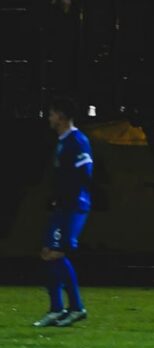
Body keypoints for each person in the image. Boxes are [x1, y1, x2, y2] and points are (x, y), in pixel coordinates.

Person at [34, 97, 92, 327]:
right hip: (63, 206)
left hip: (74, 206)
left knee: (57, 254)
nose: (49, 118)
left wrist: (70, 199)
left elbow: (85, 173)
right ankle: (57, 309)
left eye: (51, 114)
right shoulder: (62, 141)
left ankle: (76, 307)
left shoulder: (77, 141)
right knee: (48, 252)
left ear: (61, 116)